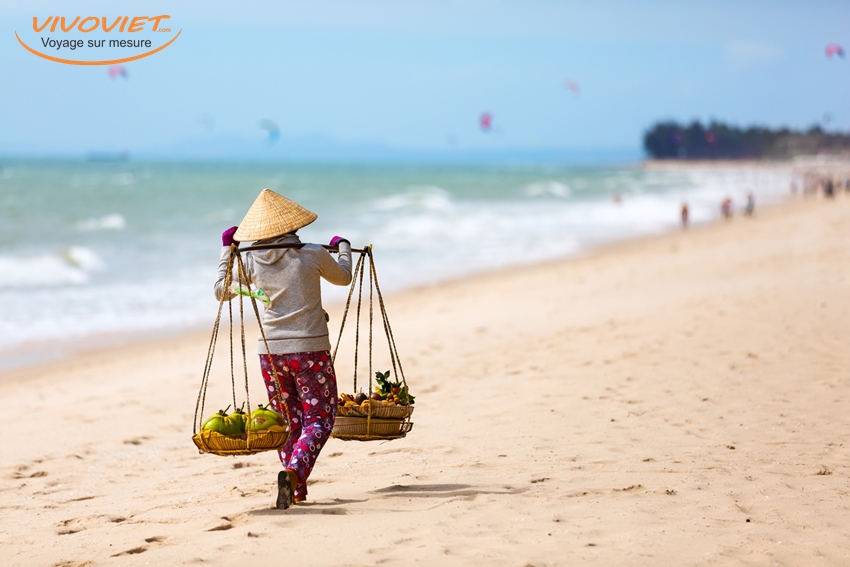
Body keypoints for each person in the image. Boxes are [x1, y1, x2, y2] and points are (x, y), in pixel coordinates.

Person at [214, 188, 352, 509]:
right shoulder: (313, 253)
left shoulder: (249, 260)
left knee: (287, 419)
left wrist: (227, 250)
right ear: (293, 226)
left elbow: (221, 291)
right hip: (310, 351)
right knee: (319, 417)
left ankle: (297, 488)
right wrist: (342, 247)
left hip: (271, 355)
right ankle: (293, 473)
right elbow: (344, 277)